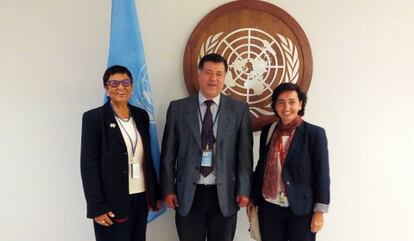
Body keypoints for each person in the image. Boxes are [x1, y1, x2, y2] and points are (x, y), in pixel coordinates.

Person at [160, 53, 253, 241]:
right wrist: (168, 188)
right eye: (209, 72)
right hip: (188, 193)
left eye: (219, 74)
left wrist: (244, 189)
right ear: (199, 74)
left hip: (225, 194)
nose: (214, 78)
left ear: (225, 77)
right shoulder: (178, 109)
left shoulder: (239, 110)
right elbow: (168, 153)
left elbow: (245, 155)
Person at [80, 65, 160, 241]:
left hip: (140, 197)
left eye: (125, 82)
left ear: (132, 87)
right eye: (114, 83)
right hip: (110, 202)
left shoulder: (141, 116)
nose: (120, 87)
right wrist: (97, 207)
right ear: (106, 88)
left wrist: (155, 194)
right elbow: (88, 166)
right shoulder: (94, 119)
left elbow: (147, 158)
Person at [247, 83, 330, 241]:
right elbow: (261, 167)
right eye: (281, 102)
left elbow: (322, 175)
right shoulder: (268, 131)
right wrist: (253, 198)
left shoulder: (314, 134)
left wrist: (319, 211)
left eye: (292, 102)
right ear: (275, 106)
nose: (286, 107)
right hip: (269, 208)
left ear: (300, 104)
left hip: (300, 209)